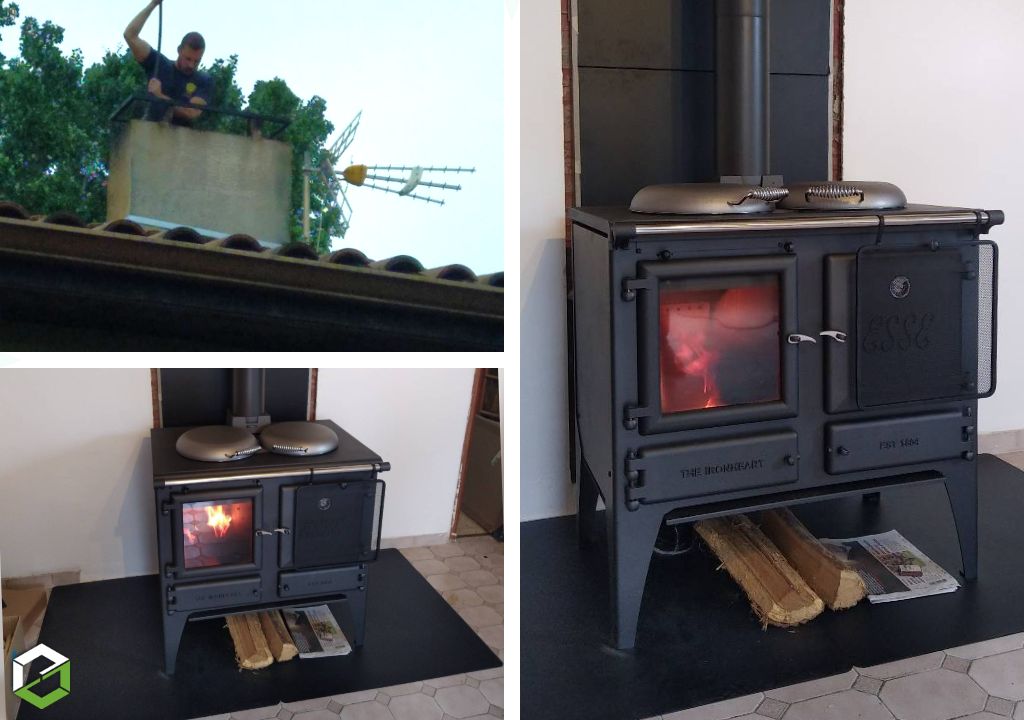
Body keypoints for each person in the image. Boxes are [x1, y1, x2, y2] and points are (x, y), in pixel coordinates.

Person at [123, 0, 213, 126]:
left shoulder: (204, 80)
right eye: (188, 59)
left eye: (197, 61)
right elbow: (130, 35)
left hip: (181, 136)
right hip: (150, 129)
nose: (191, 65)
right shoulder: (159, 64)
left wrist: (160, 96)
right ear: (179, 50)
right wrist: (153, 4)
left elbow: (191, 113)